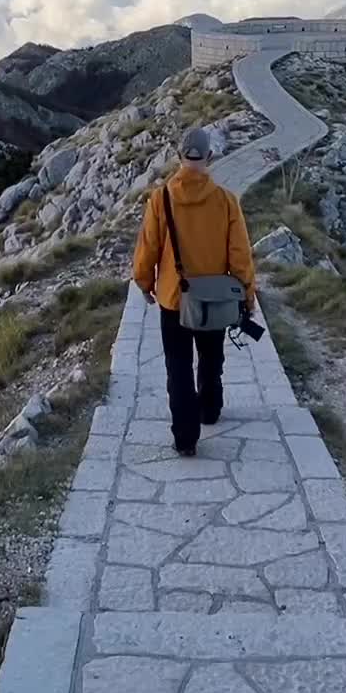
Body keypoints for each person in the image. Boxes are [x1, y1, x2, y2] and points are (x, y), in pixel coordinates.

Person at [133, 127, 256, 455]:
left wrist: (145, 283)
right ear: (210, 158)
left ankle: (185, 437)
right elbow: (240, 255)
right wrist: (247, 294)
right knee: (212, 355)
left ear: (179, 157)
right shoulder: (226, 202)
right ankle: (210, 409)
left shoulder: (160, 199)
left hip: (175, 299)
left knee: (178, 365)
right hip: (215, 298)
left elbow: (148, 247)